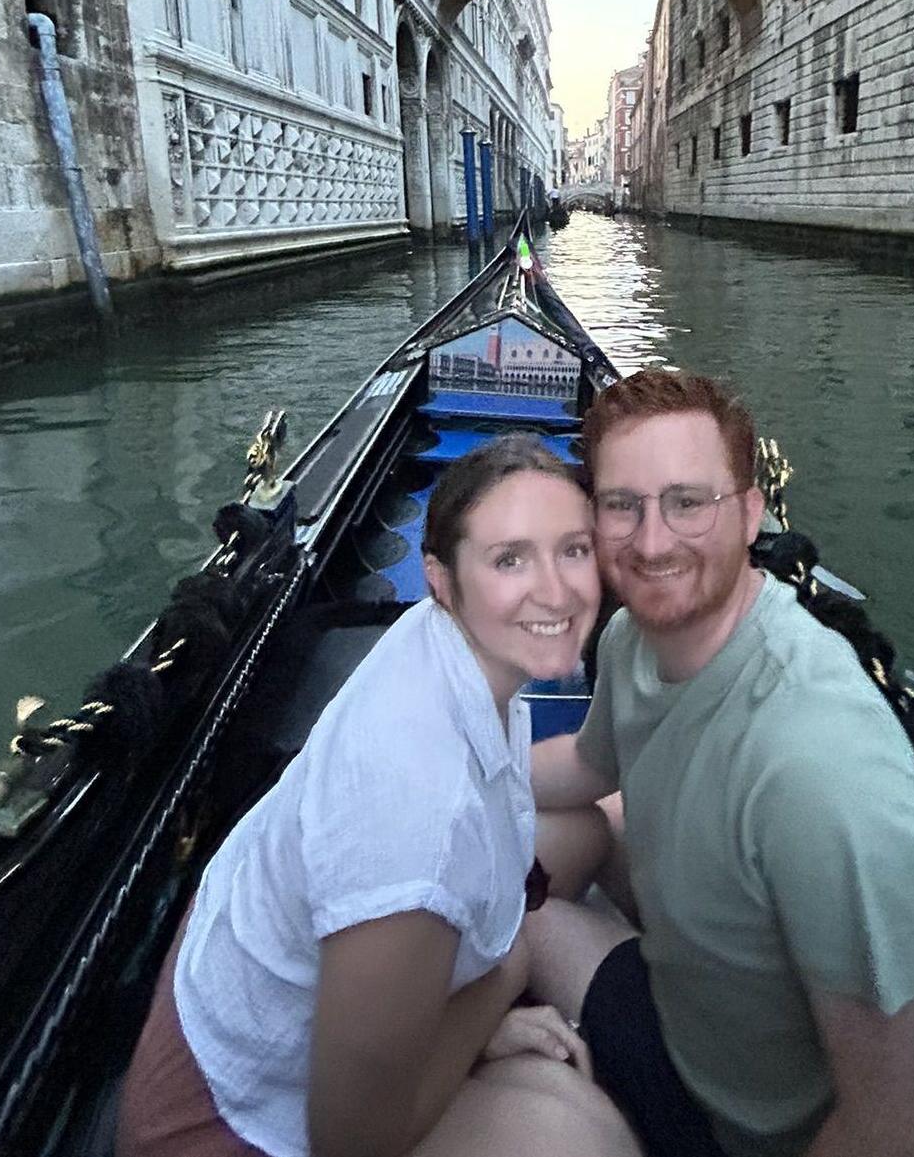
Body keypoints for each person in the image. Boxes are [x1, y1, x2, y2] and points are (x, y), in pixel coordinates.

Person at [118, 435, 643, 1157]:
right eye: (509, 558)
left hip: (266, 988)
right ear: (440, 577)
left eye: (572, 550)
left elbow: (553, 779)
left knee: (584, 832)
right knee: (581, 1134)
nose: (555, 589)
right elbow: (351, 1142)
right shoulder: (413, 816)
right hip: (230, 1122)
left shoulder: (459, 653)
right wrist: (503, 981)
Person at [527, 370, 914, 1157]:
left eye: (687, 502)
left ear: (750, 514)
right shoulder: (628, 642)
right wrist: (461, 775)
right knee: (533, 853)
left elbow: (905, 1130)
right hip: (699, 1024)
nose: (650, 542)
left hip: (766, 1134)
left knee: (516, 919)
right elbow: (587, 762)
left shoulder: (819, 766)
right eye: (623, 505)